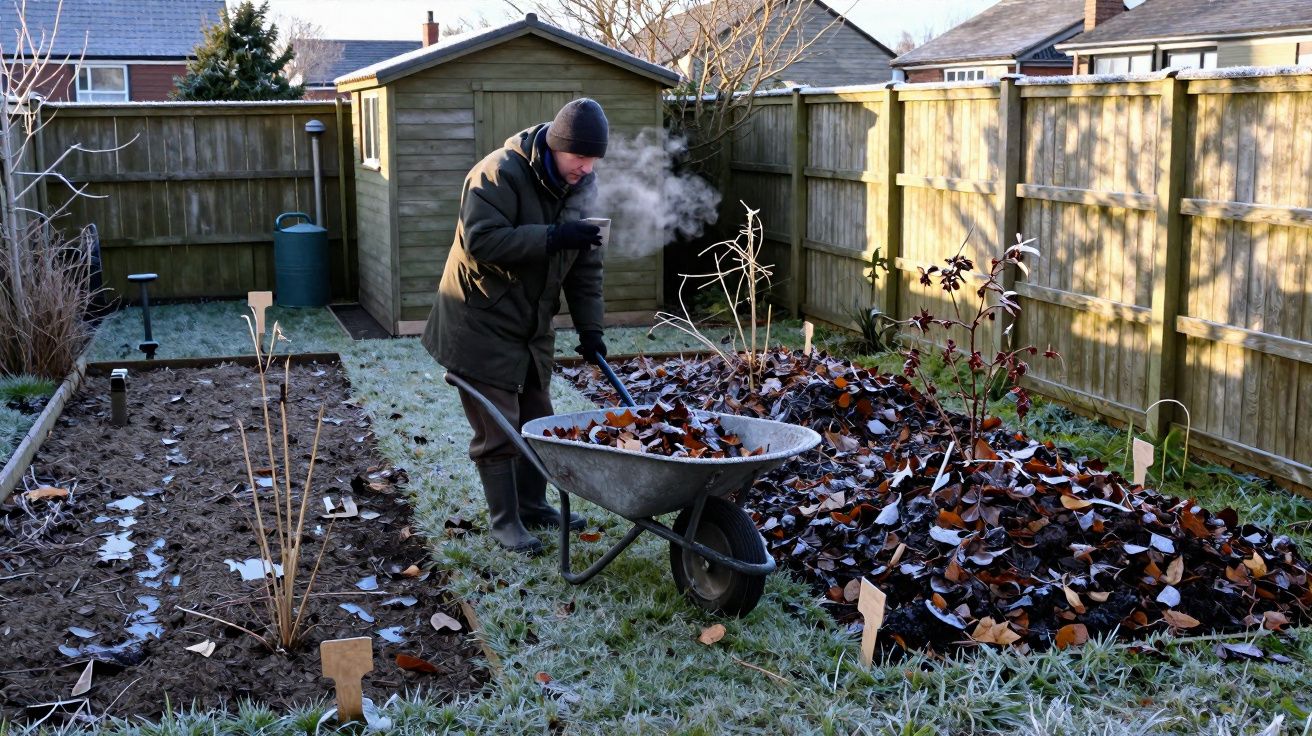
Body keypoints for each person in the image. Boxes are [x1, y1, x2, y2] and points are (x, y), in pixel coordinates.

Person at [421, 98, 610, 555]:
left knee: (538, 419)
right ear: (555, 145)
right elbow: (481, 240)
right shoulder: (498, 172)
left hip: (530, 326)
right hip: (479, 321)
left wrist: (592, 331)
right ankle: (506, 523)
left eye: (593, 160)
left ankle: (532, 504)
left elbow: (586, 267)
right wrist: (552, 238)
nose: (585, 168)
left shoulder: (582, 186)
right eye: (578, 158)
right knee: (499, 428)